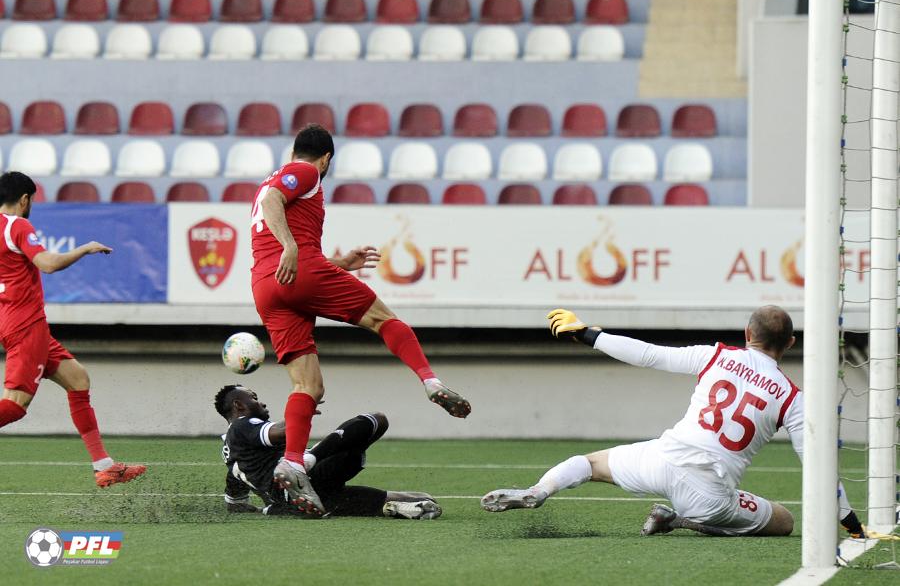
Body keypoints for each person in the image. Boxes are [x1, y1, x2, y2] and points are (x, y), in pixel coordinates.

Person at [481, 306, 865, 538]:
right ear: (790, 344)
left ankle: (539, 490)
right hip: (709, 494)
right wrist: (847, 519)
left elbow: (648, 355)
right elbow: (816, 465)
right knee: (784, 521)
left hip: (663, 459)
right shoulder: (792, 398)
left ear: (747, 334)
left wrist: (588, 334)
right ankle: (680, 520)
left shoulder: (716, 356)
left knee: (590, 463)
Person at [250, 124, 470, 516]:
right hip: (296, 270)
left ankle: (293, 462)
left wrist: (338, 263)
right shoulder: (306, 171)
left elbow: (274, 217)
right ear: (326, 158)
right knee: (384, 320)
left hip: (267, 286)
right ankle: (430, 381)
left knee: (309, 386)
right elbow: (272, 201)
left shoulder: (278, 179)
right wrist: (291, 248)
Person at [0, 171, 146, 488]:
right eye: (32, 200)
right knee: (15, 405)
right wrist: (84, 248)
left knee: (78, 378)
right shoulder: (18, 225)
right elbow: (48, 264)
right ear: (24, 200)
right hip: (26, 324)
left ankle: (104, 465)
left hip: (13, 319)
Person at [214, 384, 442, 520]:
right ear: (238, 405)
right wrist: (302, 407)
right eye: (253, 397)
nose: (261, 402)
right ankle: (307, 462)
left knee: (423, 498)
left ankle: (395, 507)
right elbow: (282, 431)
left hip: (302, 503)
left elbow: (234, 502)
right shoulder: (243, 425)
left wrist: (260, 509)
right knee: (376, 420)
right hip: (305, 483)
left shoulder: (231, 451)